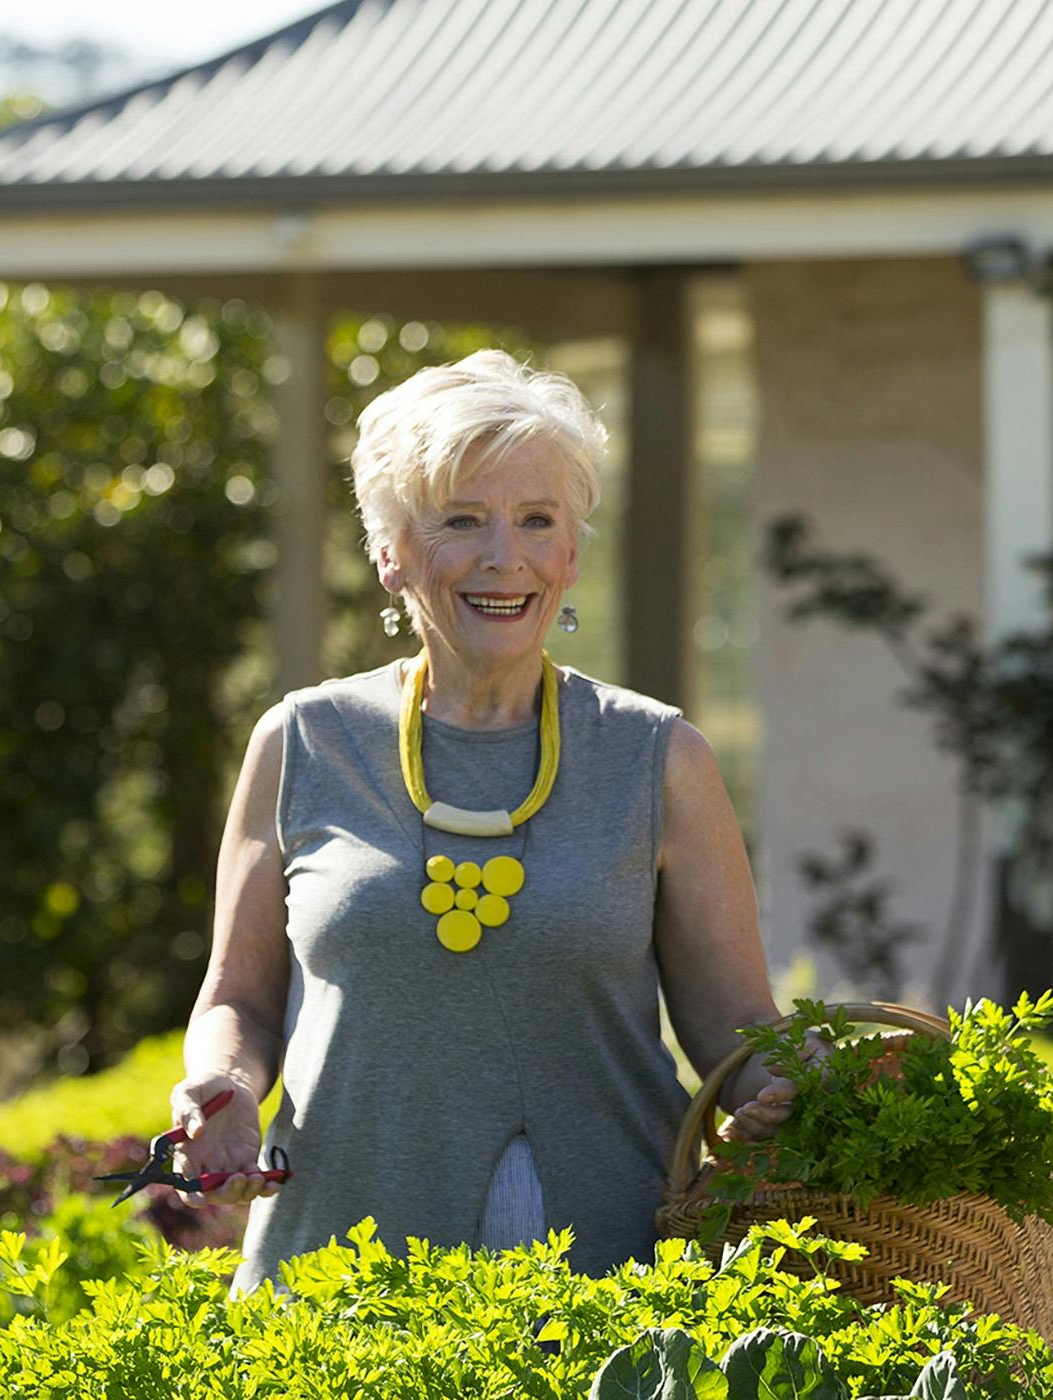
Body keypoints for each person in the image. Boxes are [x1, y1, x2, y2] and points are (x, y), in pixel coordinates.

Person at [165, 348, 797, 1294]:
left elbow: (737, 1027)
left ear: (572, 553)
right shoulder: (304, 741)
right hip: (340, 1265)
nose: (506, 557)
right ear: (391, 554)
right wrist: (222, 1087)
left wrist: (800, 1095)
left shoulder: (659, 755)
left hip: (610, 1278)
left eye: (536, 520)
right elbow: (237, 1000)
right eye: (463, 520)